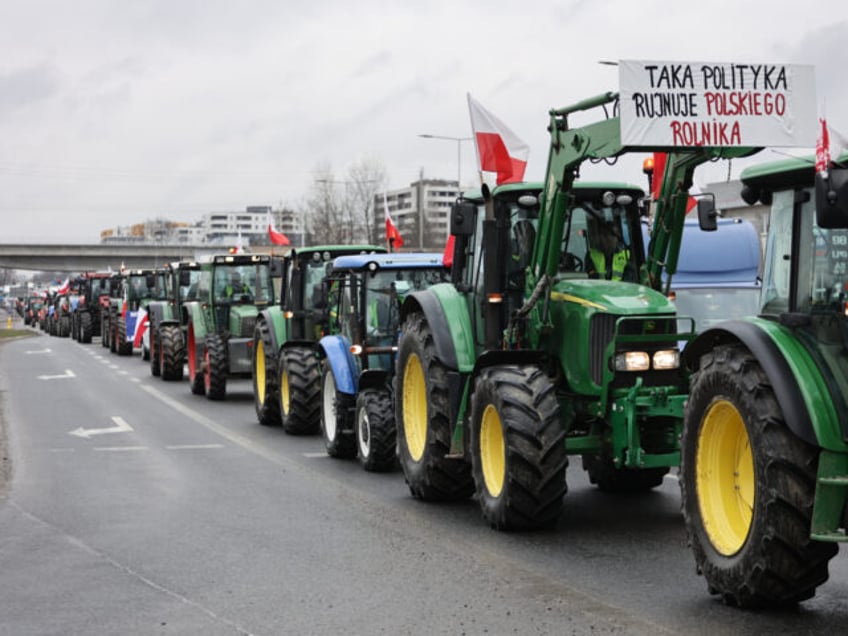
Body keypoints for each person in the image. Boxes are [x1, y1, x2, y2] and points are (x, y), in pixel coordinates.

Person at [585, 216, 631, 281]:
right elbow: (590, 278)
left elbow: (631, 278)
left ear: (617, 238)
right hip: (598, 290)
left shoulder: (627, 255)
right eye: (605, 236)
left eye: (611, 235)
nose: (608, 239)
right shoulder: (591, 255)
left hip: (621, 289)